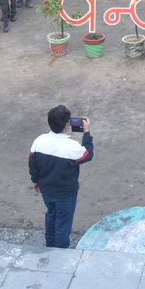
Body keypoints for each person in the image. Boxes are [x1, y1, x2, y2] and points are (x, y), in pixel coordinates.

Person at [29, 105, 93, 249]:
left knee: (51, 216)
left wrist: (35, 181)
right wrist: (87, 133)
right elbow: (88, 154)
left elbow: (33, 165)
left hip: (46, 190)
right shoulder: (72, 147)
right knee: (63, 223)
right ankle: (61, 251)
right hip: (66, 193)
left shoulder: (39, 141)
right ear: (66, 125)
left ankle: (50, 244)